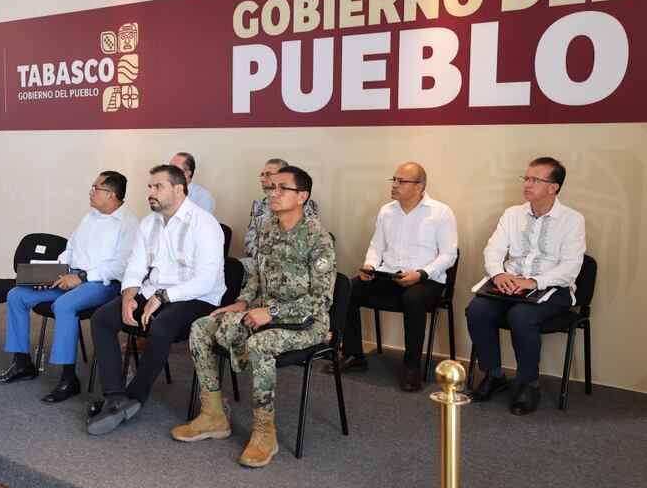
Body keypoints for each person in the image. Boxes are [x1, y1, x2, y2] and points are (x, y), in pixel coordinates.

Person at [171, 166, 334, 468]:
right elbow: (257, 276)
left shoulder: (318, 239)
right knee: (201, 327)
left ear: (303, 197)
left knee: (260, 344)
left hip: (306, 324)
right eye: (272, 188)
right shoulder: (268, 229)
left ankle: (264, 433)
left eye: (282, 188)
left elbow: (320, 300)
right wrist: (242, 302)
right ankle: (214, 415)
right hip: (261, 313)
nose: (273, 193)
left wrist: (271, 311)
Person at [86, 164, 225, 435]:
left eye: (157, 187)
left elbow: (205, 281)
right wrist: (128, 296)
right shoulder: (149, 223)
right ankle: (115, 396)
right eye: (149, 187)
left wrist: (163, 296)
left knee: (160, 328)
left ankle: (135, 397)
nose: (150, 192)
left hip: (198, 297)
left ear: (178, 189)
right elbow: (136, 267)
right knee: (102, 318)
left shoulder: (204, 224)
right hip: (154, 292)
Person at [0, 172, 138, 403]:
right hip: (69, 276)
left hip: (102, 284)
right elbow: (69, 250)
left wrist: (81, 277)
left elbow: (120, 267)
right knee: (17, 295)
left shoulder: (130, 225)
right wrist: (54, 271)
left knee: (64, 305)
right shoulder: (89, 217)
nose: (90, 192)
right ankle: (22, 363)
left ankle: (69, 379)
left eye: (95, 188)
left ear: (111, 194)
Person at [466, 157, 585, 415]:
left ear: (553, 187)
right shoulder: (513, 214)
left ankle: (529, 384)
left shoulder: (572, 220)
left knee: (521, 316)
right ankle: (494, 375)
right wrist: (498, 274)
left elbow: (571, 267)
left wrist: (534, 282)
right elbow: (493, 249)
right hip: (510, 283)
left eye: (535, 180)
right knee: (476, 310)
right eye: (526, 178)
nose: (527, 184)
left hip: (553, 288)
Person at [331, 162, 458, 391]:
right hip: (389, 274)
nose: (395, 185)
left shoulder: (441, 212)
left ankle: (411, 368)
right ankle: (353, 355)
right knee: (349, 288)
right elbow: (376, 247)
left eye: (402, 181)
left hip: (427, 278)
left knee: (413, 298)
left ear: (419, 186)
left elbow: (449, 255)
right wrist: (370, 266)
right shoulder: (387, 210)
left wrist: (421, 274)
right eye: (394, 180)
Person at [241, 158, 320, 281]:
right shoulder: (259, 204)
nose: (262, 179)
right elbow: (250, 239)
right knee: (233, 267)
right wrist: (263, 256)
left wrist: (274, 257)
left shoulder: (303, 204)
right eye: (262, 175)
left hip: (292, 261)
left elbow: (309, 241)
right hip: (260, 258)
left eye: (268, 174)